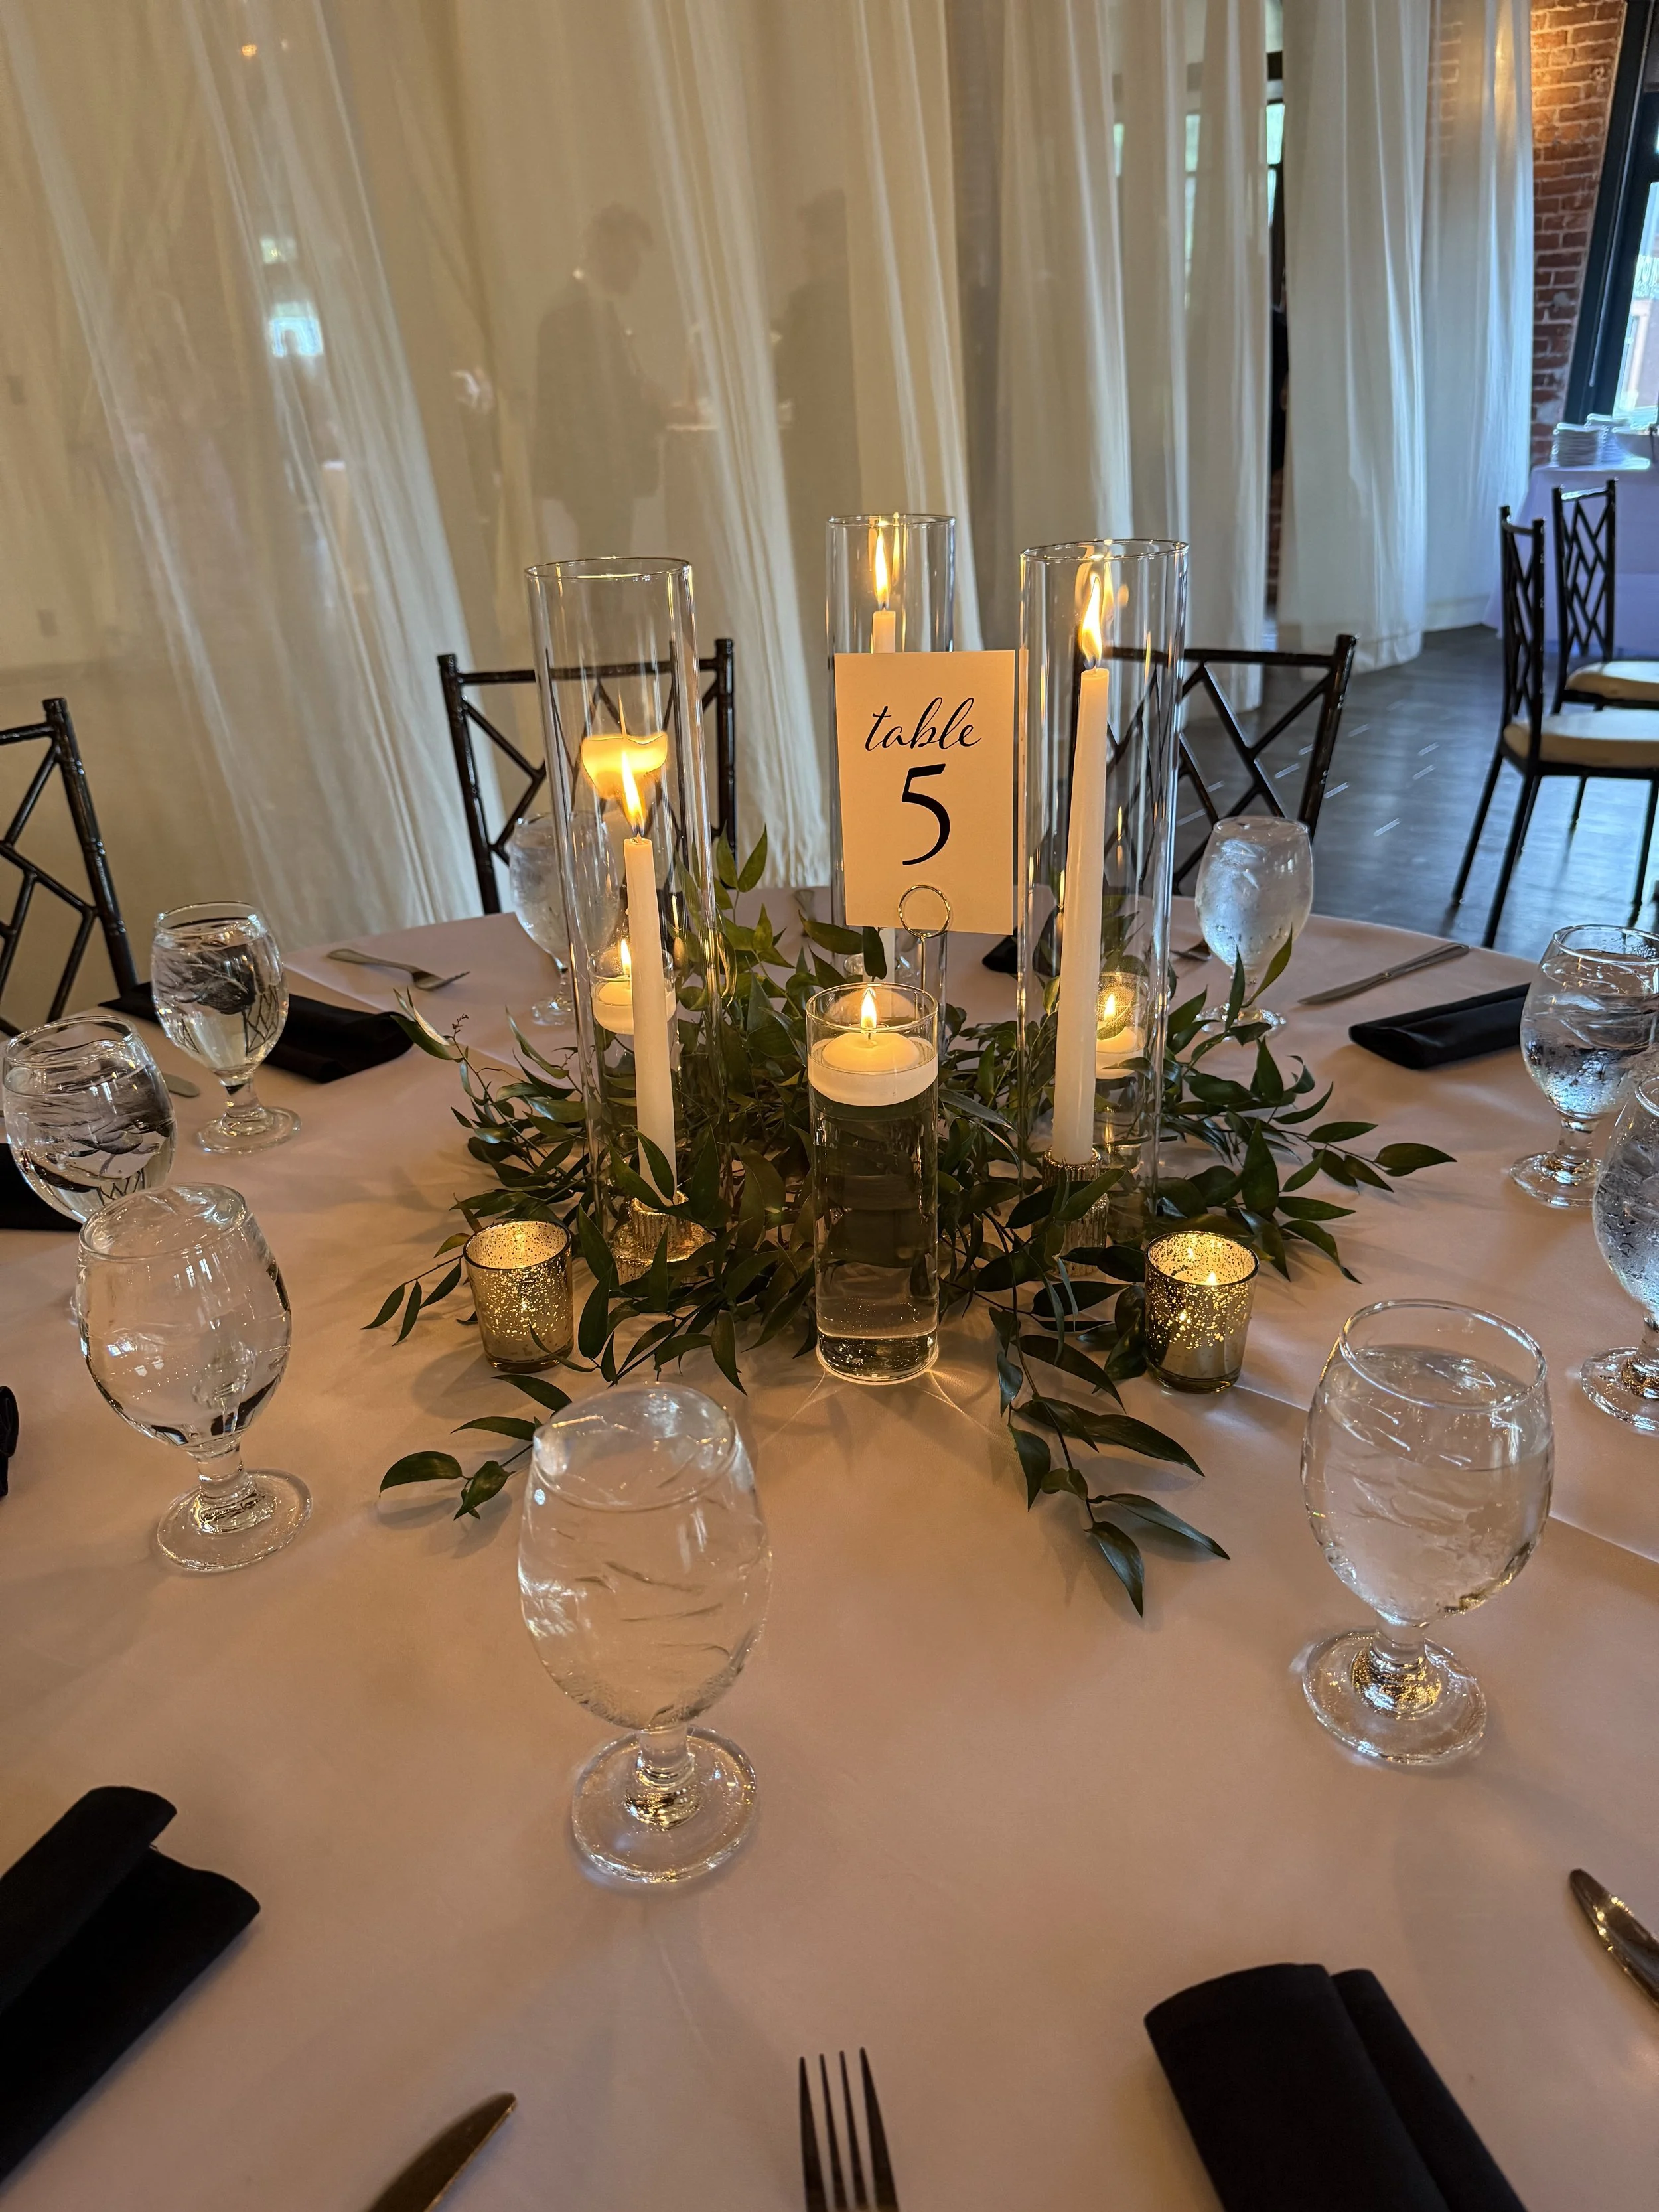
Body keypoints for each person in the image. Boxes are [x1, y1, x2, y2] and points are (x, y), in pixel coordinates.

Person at [532, 205, 665, 553]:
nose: (636, 268)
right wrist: (652, 410)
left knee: (607, 588)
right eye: (631, 255)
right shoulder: (573, 315)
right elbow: (590, 409)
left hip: (601, 482)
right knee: (604, 591)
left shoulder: (586, 310)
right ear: (605, 248)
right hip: (597, 483)